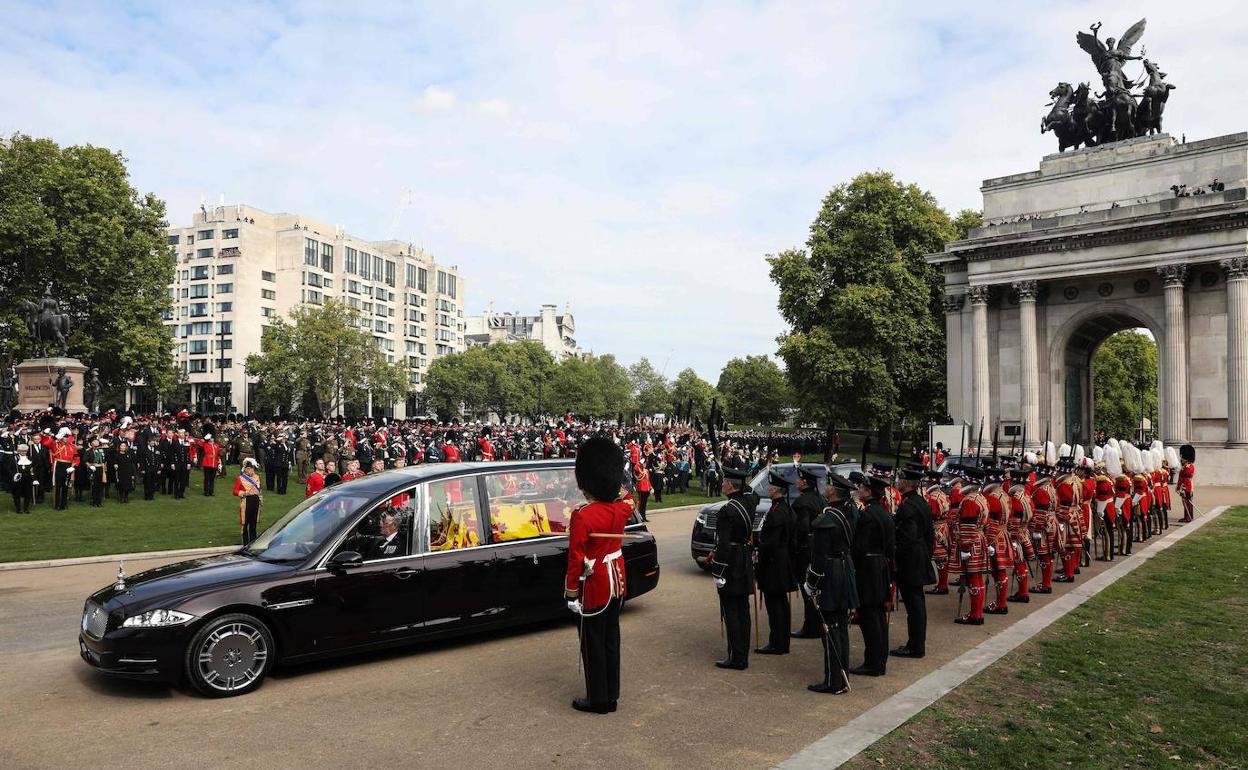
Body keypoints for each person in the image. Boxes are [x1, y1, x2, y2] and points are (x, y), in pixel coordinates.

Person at [563, 436, 632, 714]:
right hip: (617, 581)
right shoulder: (621, 509)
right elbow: (629, 496)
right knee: (611, 639)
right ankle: (612, 695)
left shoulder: (583, 515)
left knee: (592, 643)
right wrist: (614, 486)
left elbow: (576, 558)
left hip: (595, 585)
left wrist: (571, 592)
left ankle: (598, 700)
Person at [805, 472, 858, 694]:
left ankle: (834, 680)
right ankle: (840, 675)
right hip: (844, 569)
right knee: (840, 626)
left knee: (831, 628)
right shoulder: (845, 514)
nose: (825, 487)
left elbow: (820, 556)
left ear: (833, 492)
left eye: (828, 485)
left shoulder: (827, 519)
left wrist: (811, 581)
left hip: (832, 574)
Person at [710, 466, 756, 670]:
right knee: (743, 610)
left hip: (731, 562)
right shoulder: (748, 502)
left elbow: (723, 544)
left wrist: (718, 570)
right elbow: (751, 492)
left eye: (724, 482)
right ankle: (742, 655)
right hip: (745, 559)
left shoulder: (727, 511)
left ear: (729, 486)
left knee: (731, 611)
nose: (721, 484)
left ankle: (736, 658)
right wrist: (743, 480)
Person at [850, 474, 895, 675]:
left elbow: (860, 546)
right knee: (877, 616)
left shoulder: (867, 515)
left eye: (862, 488)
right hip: (880, 565)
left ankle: (873, 662)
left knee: (870, 617)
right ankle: (879, 659)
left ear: (868, 492)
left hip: (869, 567)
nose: (859, 490)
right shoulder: (883, 512)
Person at [891, 467, 935, 658]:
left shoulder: (909, 506)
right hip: (919, 556)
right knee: (916, 603)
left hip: (911, 561)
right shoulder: (919, 502)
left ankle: (915, 646)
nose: (897, 482)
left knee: (914, 605)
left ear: (907, 484)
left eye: (900, 480)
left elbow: (907, 538)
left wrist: (895, 554)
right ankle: (915, 643)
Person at [754, 470, 796, 655]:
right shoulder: (781, 508)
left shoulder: (778, 512)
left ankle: (778, 642)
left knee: (776, 604)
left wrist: (758, 550)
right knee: (780, 604)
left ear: (777, 490)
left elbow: (771, 542)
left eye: (771, 486)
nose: (768, 489)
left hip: (774, 563)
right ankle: (780, 641)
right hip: (781, 560)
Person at [790, 467, 825, 639]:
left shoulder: (802, 502)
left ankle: (811, 626)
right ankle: (816, 624)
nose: (797, 482)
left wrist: (794, 546)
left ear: (804, 483)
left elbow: (801, 528)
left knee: (807, 590)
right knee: (815, 590)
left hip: (805, 551)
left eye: (799, 480)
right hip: (817, 549)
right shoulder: (819, 499)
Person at [234, 459, 263, 545]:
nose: (251, 470)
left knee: (253, 523)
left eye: (252, 469)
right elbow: (235, 491)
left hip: (256, 502)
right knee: (245, 523)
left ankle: (253, 543)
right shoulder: (240, 478)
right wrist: (243, 493)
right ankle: (246, 543)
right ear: (245, 469)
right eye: (249, 469)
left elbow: (259, 490)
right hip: (246, 502)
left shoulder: (257, 478)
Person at [11, 444, 35, 513]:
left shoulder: (30, 458)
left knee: (27, 494)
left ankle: (26, 508)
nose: (23, 452)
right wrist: (14, 475)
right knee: (17, 494)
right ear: (18, 451)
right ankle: (18, 509)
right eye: (22, 451)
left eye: (25, 451)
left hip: (28, 478)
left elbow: (33, 469)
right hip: (18, 478)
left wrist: (34, 478)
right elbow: (9, 468)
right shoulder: (15, 458)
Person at [1177, 445, 1195, 522]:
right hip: (1186, 486)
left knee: (1187, 502)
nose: (1181, 458)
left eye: (1182, 456)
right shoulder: (1187, 466)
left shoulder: (1187, 467)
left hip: (1186, 487)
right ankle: (1188, 516)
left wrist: (1182, 488)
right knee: (1186, 502)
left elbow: (1185, 479)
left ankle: (1188, 517)